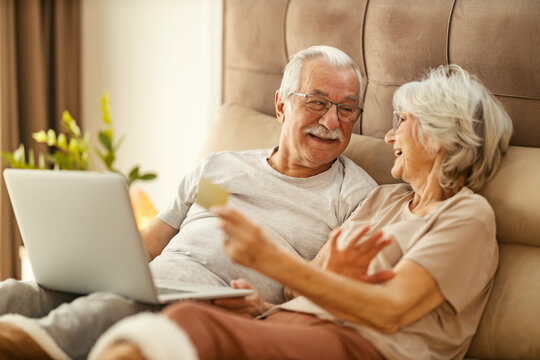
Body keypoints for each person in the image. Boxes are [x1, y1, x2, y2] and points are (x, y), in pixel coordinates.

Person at [88, 64, 513, 360]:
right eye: (316, 102)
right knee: (175, 319)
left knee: (188, 324)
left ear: (440, 136)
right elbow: (302, 294)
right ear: (281, 107)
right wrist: (264, 310)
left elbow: (389, 310)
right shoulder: (384, 200)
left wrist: (273, 264)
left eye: (401, 120)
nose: (387, 136)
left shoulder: (465, 216)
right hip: (294, 325)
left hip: (364, 348)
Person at [0, 45, 377, 360]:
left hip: (213, 302)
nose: (332, 121)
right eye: (317, 102)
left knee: (115, 309)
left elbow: (329, 293)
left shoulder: (354, 197)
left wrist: (267, 312)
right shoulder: (221, 168)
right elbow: (153, 242)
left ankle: (32, 343)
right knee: (18, 292)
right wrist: (93, 267)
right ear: (281, 106)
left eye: (347, 109)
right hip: (158, 281)